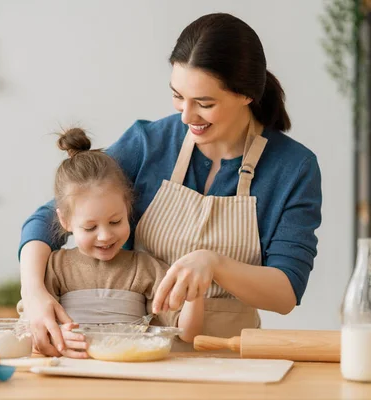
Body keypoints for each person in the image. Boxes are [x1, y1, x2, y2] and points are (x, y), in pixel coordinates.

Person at [19, 12, 322, 356]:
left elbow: (285, 292)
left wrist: (215, 264)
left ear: (246, 95)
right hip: (142, 354)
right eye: (178, 96)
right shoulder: (150, 143)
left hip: (230, 355)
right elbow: (49, 218)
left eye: (204, 104)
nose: (186, 116)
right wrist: (33, 293)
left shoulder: (293, 167)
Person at [18, 127, 203, 358]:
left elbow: (186, 333)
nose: (105, 236)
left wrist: (196, 295)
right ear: (65, 221)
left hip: (132, 375)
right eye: (90, 227)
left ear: (128, 209)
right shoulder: (54, 267)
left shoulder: (146, 268)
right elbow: (29, 327)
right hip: (69, 373)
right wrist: (54, 336)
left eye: (115, 221)